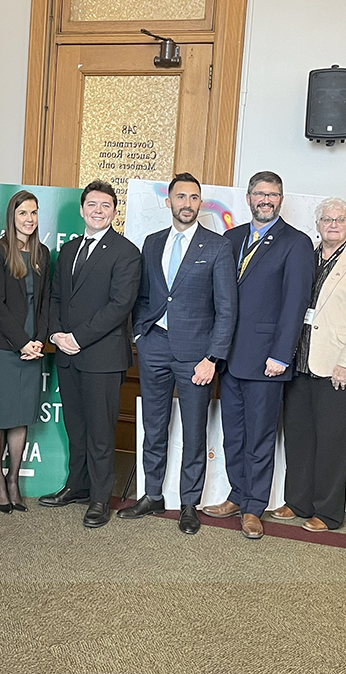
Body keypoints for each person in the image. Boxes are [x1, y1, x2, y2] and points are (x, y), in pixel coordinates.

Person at [119, 173, 236, 535]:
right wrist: (140, 331)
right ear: (169, 202)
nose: (187, 203)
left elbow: (227, 308)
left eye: (194, 197)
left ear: (200, 204)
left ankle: (189, 503)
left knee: (194, 430)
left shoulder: (216, 246)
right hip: (154, 348)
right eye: (180, 197)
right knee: (153, 427)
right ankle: (152, 494)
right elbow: (143, 296)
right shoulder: (152, 243)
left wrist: (212, 358)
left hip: (196, 357)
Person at [202, 171, 313, 540]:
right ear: (248, 198)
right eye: (260, 194)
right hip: (228, 357)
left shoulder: (295, 243)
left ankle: (253, 507)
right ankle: (236, 494)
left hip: (267, 359)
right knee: (233, 435)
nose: (266, 199)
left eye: (274, 194)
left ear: (281, 199)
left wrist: (281, 354)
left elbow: (295, 304)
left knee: (260, 438)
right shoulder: (231, 238)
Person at [270, 197, 346, 532]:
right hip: (303, 363)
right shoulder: (307, 257)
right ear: (317, 224)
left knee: (333, 441)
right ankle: (298, 501)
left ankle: (328, 512)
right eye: (326, 219)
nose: (333, 224)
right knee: (300, 437)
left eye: (340, 219)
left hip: (342, 369)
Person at [39, 180, 141, 529]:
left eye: (106, 206)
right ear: (82, 210)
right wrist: (55, 334)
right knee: (76, 427)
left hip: (101, 357)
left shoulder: (126, 252)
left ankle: (100, 497)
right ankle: (76, 486)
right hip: (67, 354)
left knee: (100, 431)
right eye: (92, 205)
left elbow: (120, 306)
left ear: (114, 211)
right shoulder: (67, 251)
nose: (98, 211)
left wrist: (78, 338)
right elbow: (54, 297)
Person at [0, 190, 51, 514]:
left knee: (21, 417)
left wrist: (38, 340)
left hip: (32, 350)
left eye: (34, 213)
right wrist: (21, 341)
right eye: (23, 213)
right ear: (12, 216)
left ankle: (13, 480)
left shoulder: (43, 253)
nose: (29, 219)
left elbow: (45, 302)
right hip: (4, 347)